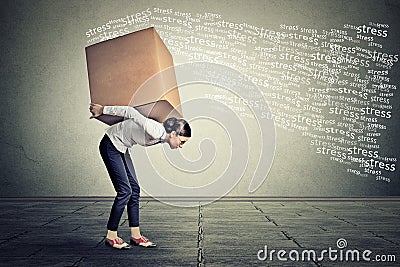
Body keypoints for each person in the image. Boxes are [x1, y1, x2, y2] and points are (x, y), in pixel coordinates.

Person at [89, 103, 191, 249]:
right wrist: (102, 110)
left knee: (134, 190)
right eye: (182, 142)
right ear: (174, 134)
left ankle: (135, 236)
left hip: (122, 147)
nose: (181, 146)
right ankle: (111, 236)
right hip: (110, 145)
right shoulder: (156, 131)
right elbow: (130, 111)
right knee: (125, 191)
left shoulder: (162, 135)